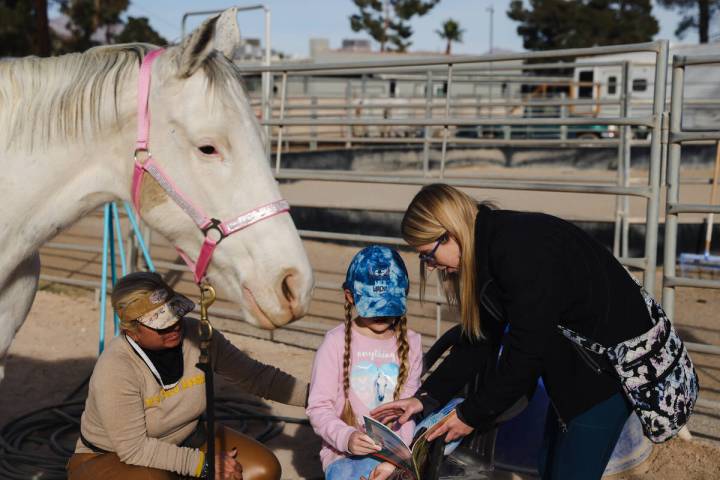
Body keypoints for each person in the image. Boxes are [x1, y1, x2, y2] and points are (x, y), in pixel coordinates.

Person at [372, 183, 658, 479]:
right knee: (550, 467)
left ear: (450, 233)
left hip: (605, 374)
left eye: (428, 255)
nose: (430, 267)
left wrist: (471, 415)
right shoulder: (488, 249)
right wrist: (426, 399)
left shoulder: (517, 252)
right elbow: (480, 339)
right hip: (572, 369)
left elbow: (526, 351)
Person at [67, 271, 308, 480]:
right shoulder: (116, 368)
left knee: (262, 469)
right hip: (112, 457)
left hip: (187, 437)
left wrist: (319, 395)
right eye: (161, 323)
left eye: (175, 315)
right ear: (131, 330)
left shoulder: (198, 335)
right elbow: (134, 449)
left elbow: (256, 377)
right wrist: (204, 466)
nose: (174, 326)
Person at [306, 245, 423, 480]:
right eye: (373, 304)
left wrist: (395, 461)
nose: (381, 313)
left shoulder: (412, 343)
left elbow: (409, 413)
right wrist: (347, 438)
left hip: (396, 455)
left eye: (389, 304)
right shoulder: (335, 342)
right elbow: (319, 407)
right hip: (345, 454)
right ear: (350, 297)